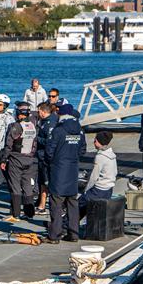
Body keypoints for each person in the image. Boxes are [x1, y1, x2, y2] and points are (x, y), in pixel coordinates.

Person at [45, 104, 86, 243]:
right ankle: (74, 233)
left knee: (56, 203)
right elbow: (82, 150)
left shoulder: (59, 130)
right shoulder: (79, 130)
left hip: (59, 170)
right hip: (73, 169)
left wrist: (52, 162)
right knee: (72, 203)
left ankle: (54, 235)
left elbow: (49, 151)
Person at [0, 101, 38, 223]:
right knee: (27, 187)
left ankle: (15, 214)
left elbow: (8, 145)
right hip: (29, 159)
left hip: (16, 159)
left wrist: (4, 159)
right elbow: (35, 144)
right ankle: (30, 213)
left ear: (19, 114)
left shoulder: (15, 126)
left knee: (15, 186)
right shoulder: (33, 125)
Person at [79, 131, 117, 219]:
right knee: (85, 206)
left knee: (78, 204)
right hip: (108, 189)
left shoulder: (100, 157)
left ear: (99, 142)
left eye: (95, 140)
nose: (94, 142)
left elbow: (94, 177)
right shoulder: (111, 155)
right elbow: (114, 172)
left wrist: (86, 190)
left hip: (99, 190)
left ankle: (63, 226)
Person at [35, 102, 58, 215]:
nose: (38, 113)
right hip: (41, 155)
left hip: (46, 156)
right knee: (42, 182)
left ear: (43, 112)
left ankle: (45, 205)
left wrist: (36, 139)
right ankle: (41, 204)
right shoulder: (43, 122)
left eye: (39, 111)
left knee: (47, 182)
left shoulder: (50, 123)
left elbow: (49, 141)